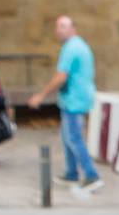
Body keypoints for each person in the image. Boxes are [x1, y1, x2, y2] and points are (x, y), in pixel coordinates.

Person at [28, 15, 103, 196]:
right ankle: (71, 173)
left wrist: (41, 95)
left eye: (63, 27)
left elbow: (61, 76)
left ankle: (92, 175)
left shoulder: (71, 49)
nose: (58, 30)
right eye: (57, 27)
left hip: (74, 100)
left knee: (74, 137)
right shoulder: (78, 46)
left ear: (72, 29)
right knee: (67, 136)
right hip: (75, 97)